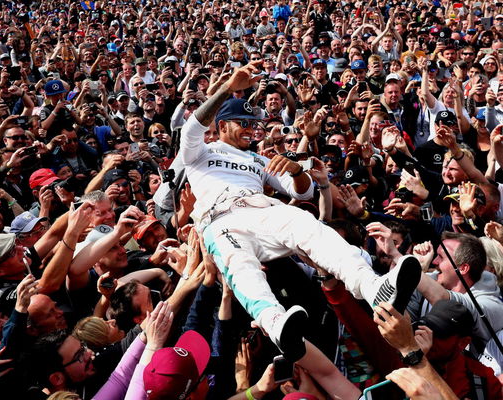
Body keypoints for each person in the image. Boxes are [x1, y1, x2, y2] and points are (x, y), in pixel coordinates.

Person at [180, 62, 422, 361]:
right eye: (243, 122)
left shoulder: (258, 159)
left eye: (253, 123)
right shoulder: (200, 152)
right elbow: (193, 126)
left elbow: (301, 191)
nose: (250, 129)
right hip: (220, 220)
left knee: (306, 224)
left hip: (260, 208)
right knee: (239, 265)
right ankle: (276, 323)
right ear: (222, 125)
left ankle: (373, 287)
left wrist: (296, 169)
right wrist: (228, 87)